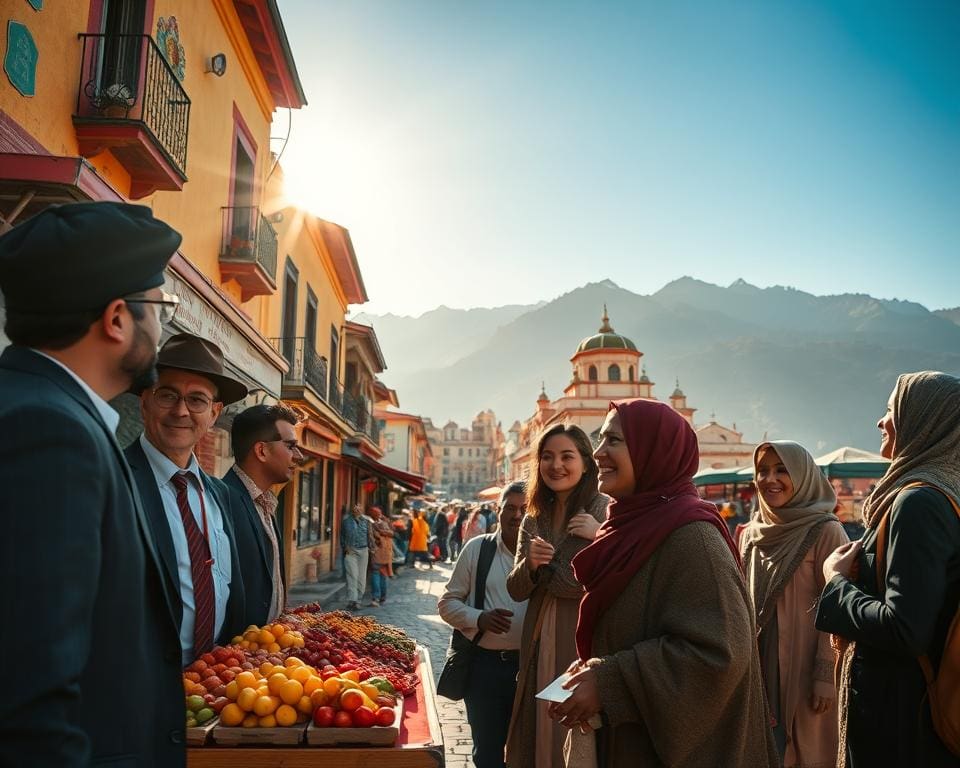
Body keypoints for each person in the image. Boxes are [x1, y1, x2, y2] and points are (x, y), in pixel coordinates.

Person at [0, 201, 185, 766]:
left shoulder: (39, 408)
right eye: (161, 307)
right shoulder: (49, 432)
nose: (164, 325)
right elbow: (28, 696)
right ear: (116, 319)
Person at [550, 399, 778, 767]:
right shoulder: (634, 526)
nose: (598, 452)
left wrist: (611, 680)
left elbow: (720, 654)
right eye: (601, 439)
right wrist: (596, 670)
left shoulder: (692, 537)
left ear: (653, 451)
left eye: (614, 441)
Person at [816, 372, 960, 768]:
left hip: (905, 722)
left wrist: (836, 582)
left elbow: (904, 629)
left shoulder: (918, 504)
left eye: (892, 409)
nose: (881, 421)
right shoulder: (945, 493)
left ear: (924, 420)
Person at [125, 333, 250, 662]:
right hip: (138, 691)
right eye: (167, 395)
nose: (181, 411)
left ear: (213, 413)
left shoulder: (221, 495)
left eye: (197, 400)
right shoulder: (113, 479)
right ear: (144, 401)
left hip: (214, 688)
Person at [739, 441, 848, 766]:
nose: (769, 479)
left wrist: (825, 675)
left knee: (808, 749)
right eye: (762, 471)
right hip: (760, 660)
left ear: (802, 476)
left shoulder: (825, 531)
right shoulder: (753, 533)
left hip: (804, 665)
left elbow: (838, 605)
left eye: (781, 470)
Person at [505, 424, 607, 768]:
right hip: (538, 635)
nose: (556, 465)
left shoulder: (606, 509)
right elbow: (516, 590)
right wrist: (530, 567)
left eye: (567, 456)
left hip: (586, 634)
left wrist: (602, 538)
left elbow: (626, 575)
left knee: (580, 724)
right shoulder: (533, 517)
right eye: (547, 456)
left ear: (586, 462)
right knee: (540, 724)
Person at [439, 483, 529, 768]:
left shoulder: (546, 553)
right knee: (487, 754)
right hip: (485, 670)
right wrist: (479, 618)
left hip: (532, 669)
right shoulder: (478, 549)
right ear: (498, 512)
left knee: (529, 753)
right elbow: (447, 604)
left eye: (525, 510)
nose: (517, 515)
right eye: (510, 508)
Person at [223, 403, 302, 625]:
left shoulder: (265, 502)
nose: (298, 455)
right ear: (262, 451)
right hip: (234, 654)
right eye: (290, 446)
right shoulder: (223, 502)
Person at [341, 503, 375, 610]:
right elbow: (341, 535)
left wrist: (372, 548)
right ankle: (352, 600)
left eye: (359, 508)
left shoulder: (367, 521)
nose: (357, 509)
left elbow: (371, 535)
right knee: (352, 575)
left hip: (363, 550)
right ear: (352, 510)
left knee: (361, 577)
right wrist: (344, 547)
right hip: (351, 551)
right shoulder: (346, 521)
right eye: (355, 508)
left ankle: (358, 600)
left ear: (362, 510)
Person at [369, 507, 394, 605]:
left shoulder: (373, 525)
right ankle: (383, 597)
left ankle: (376, 597)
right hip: (386, 554)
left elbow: (373, 539)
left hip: (377, 554)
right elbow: (391, 533)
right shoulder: (386, 523)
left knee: (375, 574)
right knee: (383, 575)